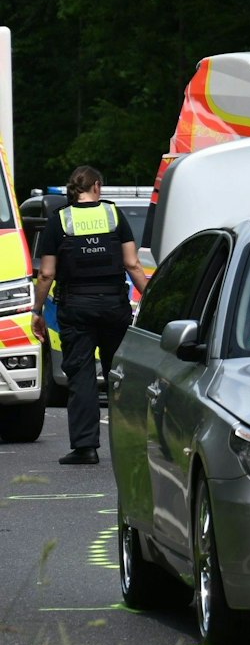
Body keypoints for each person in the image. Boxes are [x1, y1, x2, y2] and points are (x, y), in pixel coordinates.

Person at [32, 166, 148, 465]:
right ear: (97, 186)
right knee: (119, 376)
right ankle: (133, 444)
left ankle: (85, 447)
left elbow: (46, 274)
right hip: (113, 305)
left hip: (76, 308)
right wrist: (153, 297)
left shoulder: (59, 221)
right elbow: (133, 265)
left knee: (81, 376)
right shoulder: (113, 215)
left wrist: (37, 311)